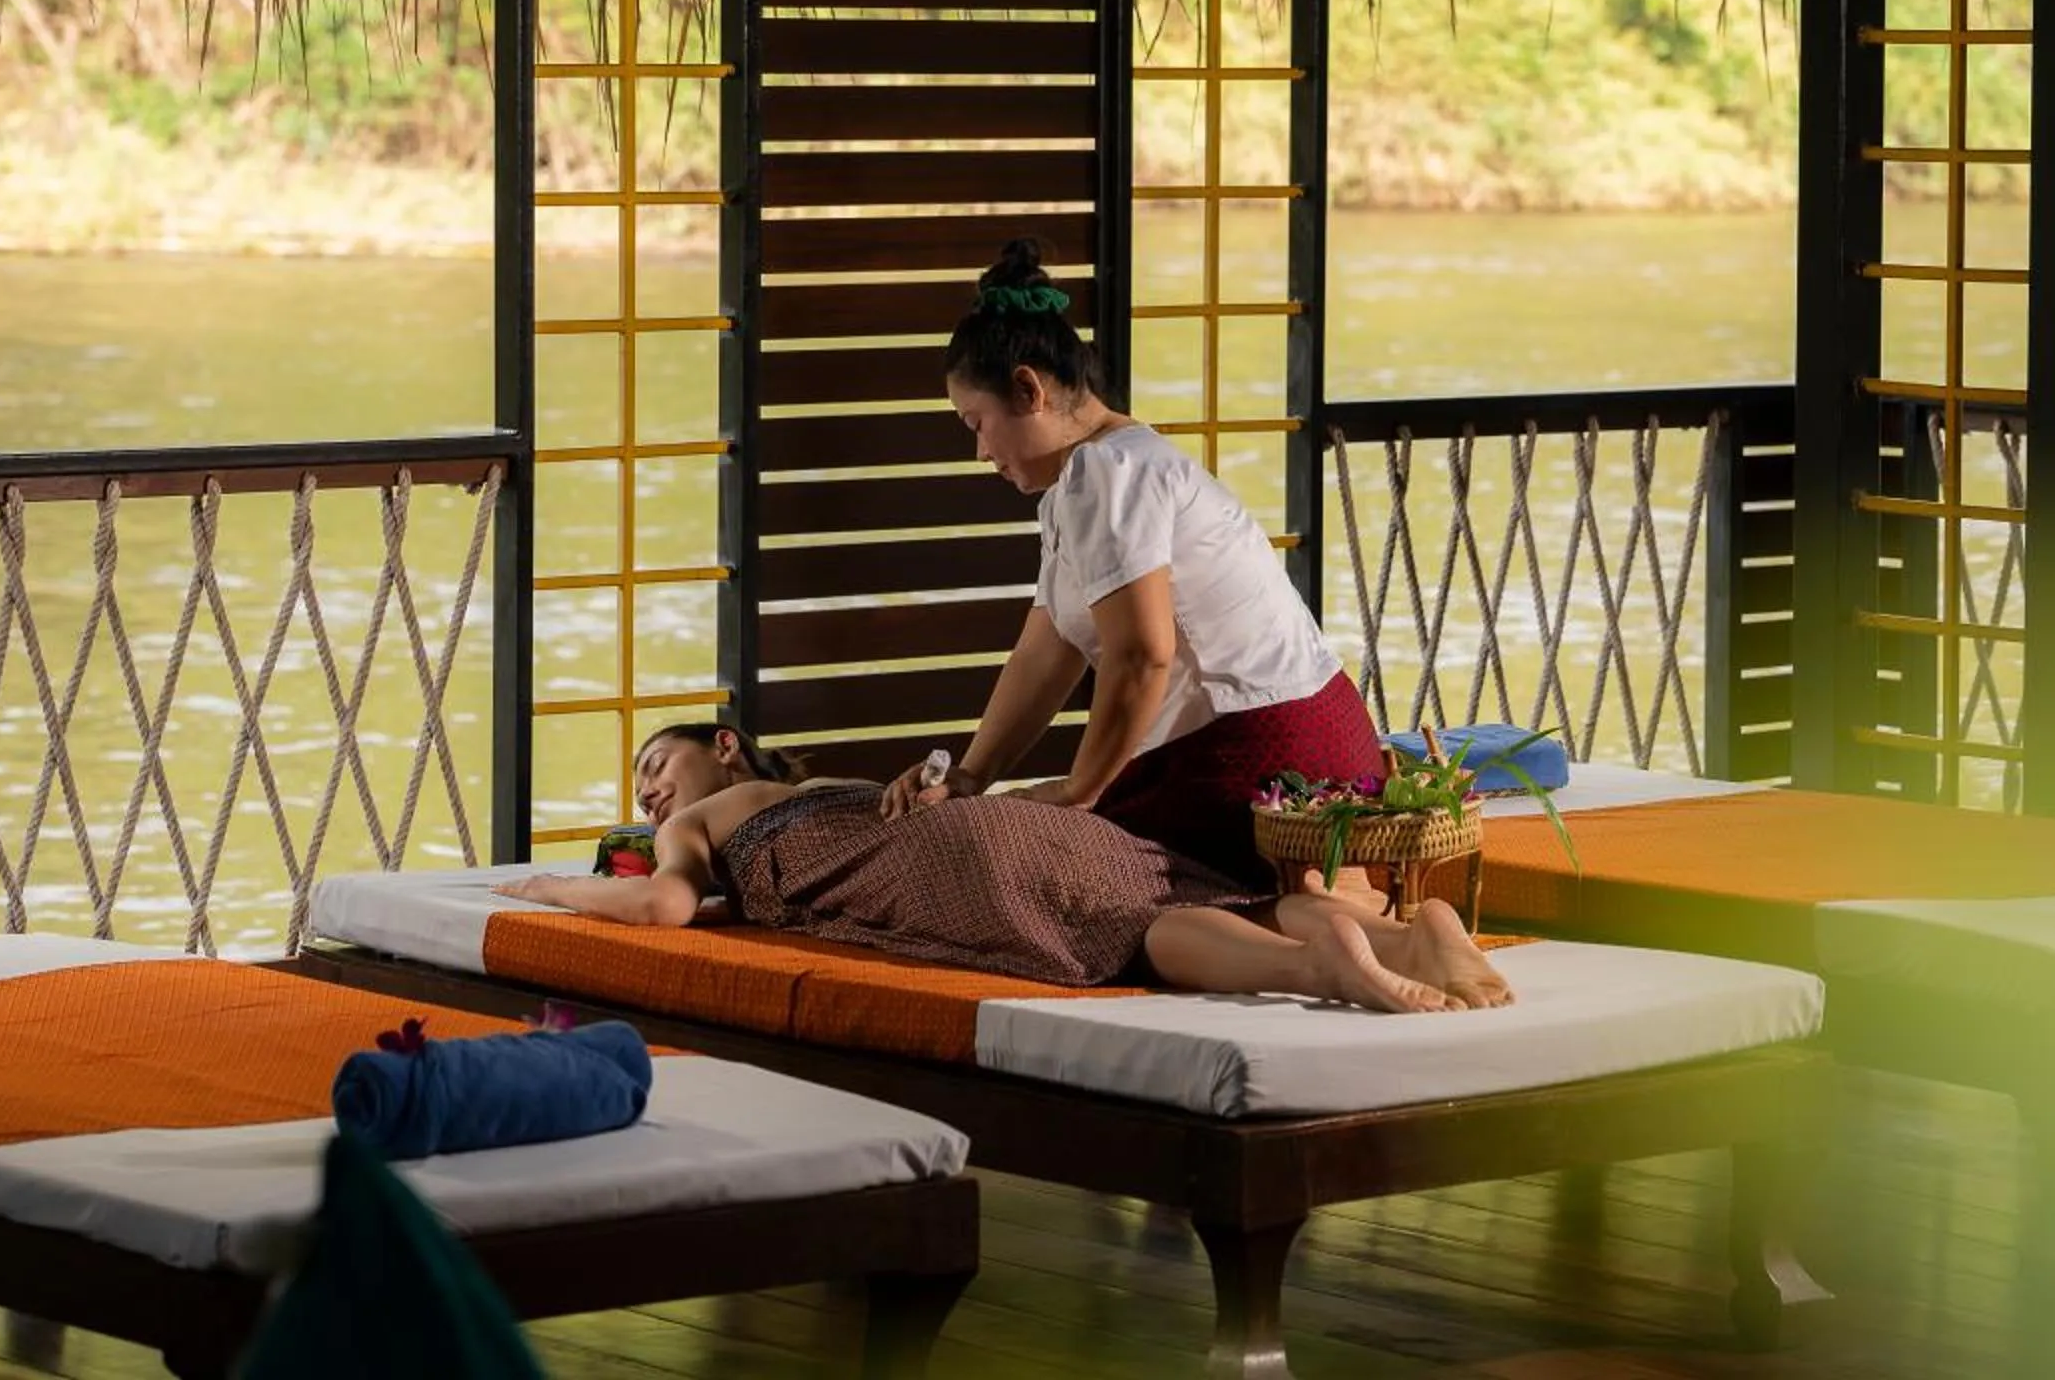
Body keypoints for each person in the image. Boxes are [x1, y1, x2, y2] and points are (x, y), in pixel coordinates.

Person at [871, 238, 1381, 883]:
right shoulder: (1094, 477)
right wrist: (972, 775)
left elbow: (1141, 654)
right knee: (981, 833)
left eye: (976, 423)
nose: (980, 452)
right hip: (1303, 739)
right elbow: (1043, 655)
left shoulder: (1106, 473)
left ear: (1027, 389)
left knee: (987, 865)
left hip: (1262, 758)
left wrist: (1078, 791)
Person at [497, 721, 1511, 1015]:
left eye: (656, 766)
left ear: (724, 746)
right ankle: (1400, 935)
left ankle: (1320, 969)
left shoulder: (710, 818)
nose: (650, 795)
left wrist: (552, 890)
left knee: (1125, 935)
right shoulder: (844, 784)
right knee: (1181, 890)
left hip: (951, 860)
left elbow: (664, 906)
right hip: (1008, 821)